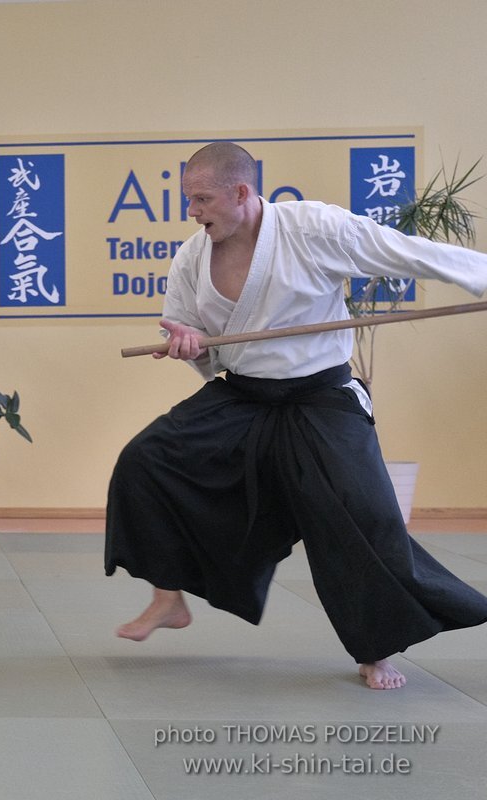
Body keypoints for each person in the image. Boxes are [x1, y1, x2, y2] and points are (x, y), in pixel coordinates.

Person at [105, 141, 487, 690]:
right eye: (188, 199)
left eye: (202, 198)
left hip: (320, 397)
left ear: (241, 192)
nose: (193, 211)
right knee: (147, 460)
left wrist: (479, 273)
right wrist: (189, 343)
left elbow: (402, 251)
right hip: (244, 396)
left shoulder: (311, 228)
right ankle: (168, 600)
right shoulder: (192, 257)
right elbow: (198, 344)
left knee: (363, 515)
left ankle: (375, 650)